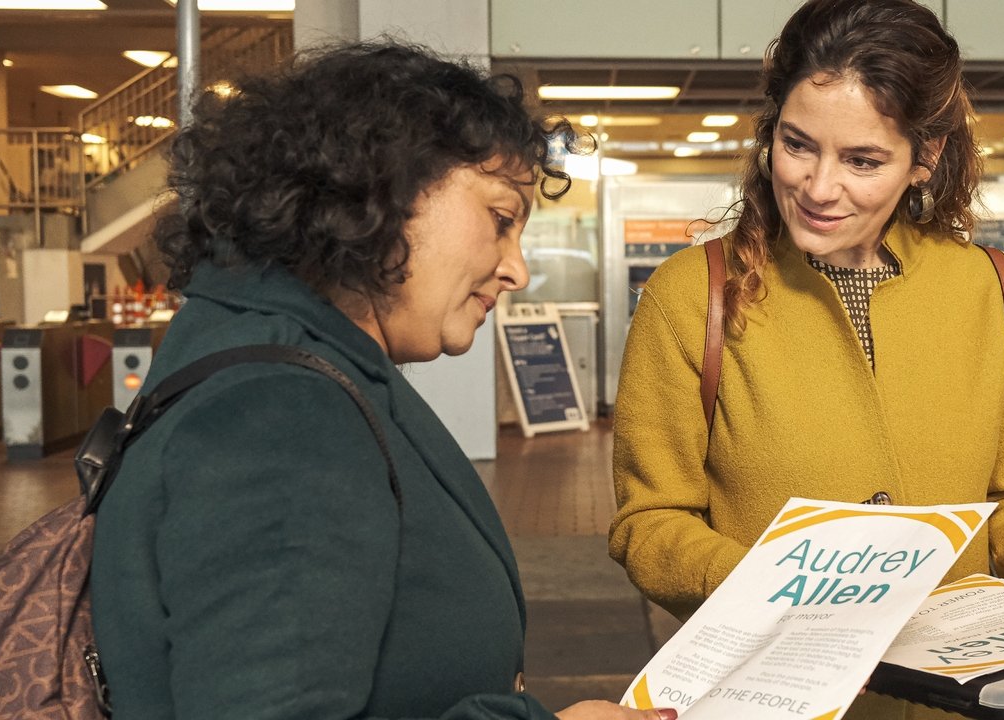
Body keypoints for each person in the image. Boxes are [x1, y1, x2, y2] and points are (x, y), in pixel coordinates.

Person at [90, 41, 674, 720]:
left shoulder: (278, 354)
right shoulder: (281, 416)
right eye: (500, 219)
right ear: (381, 189)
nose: (515, 268)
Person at [609, 1, 1004, 716]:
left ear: (923, 160)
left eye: (862, 160)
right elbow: (648, 521)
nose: (818, 186)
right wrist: (772, 593)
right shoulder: (692, 296)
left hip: (952, 700)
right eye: (798, 145)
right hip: (767, 698)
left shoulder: (996, 291)